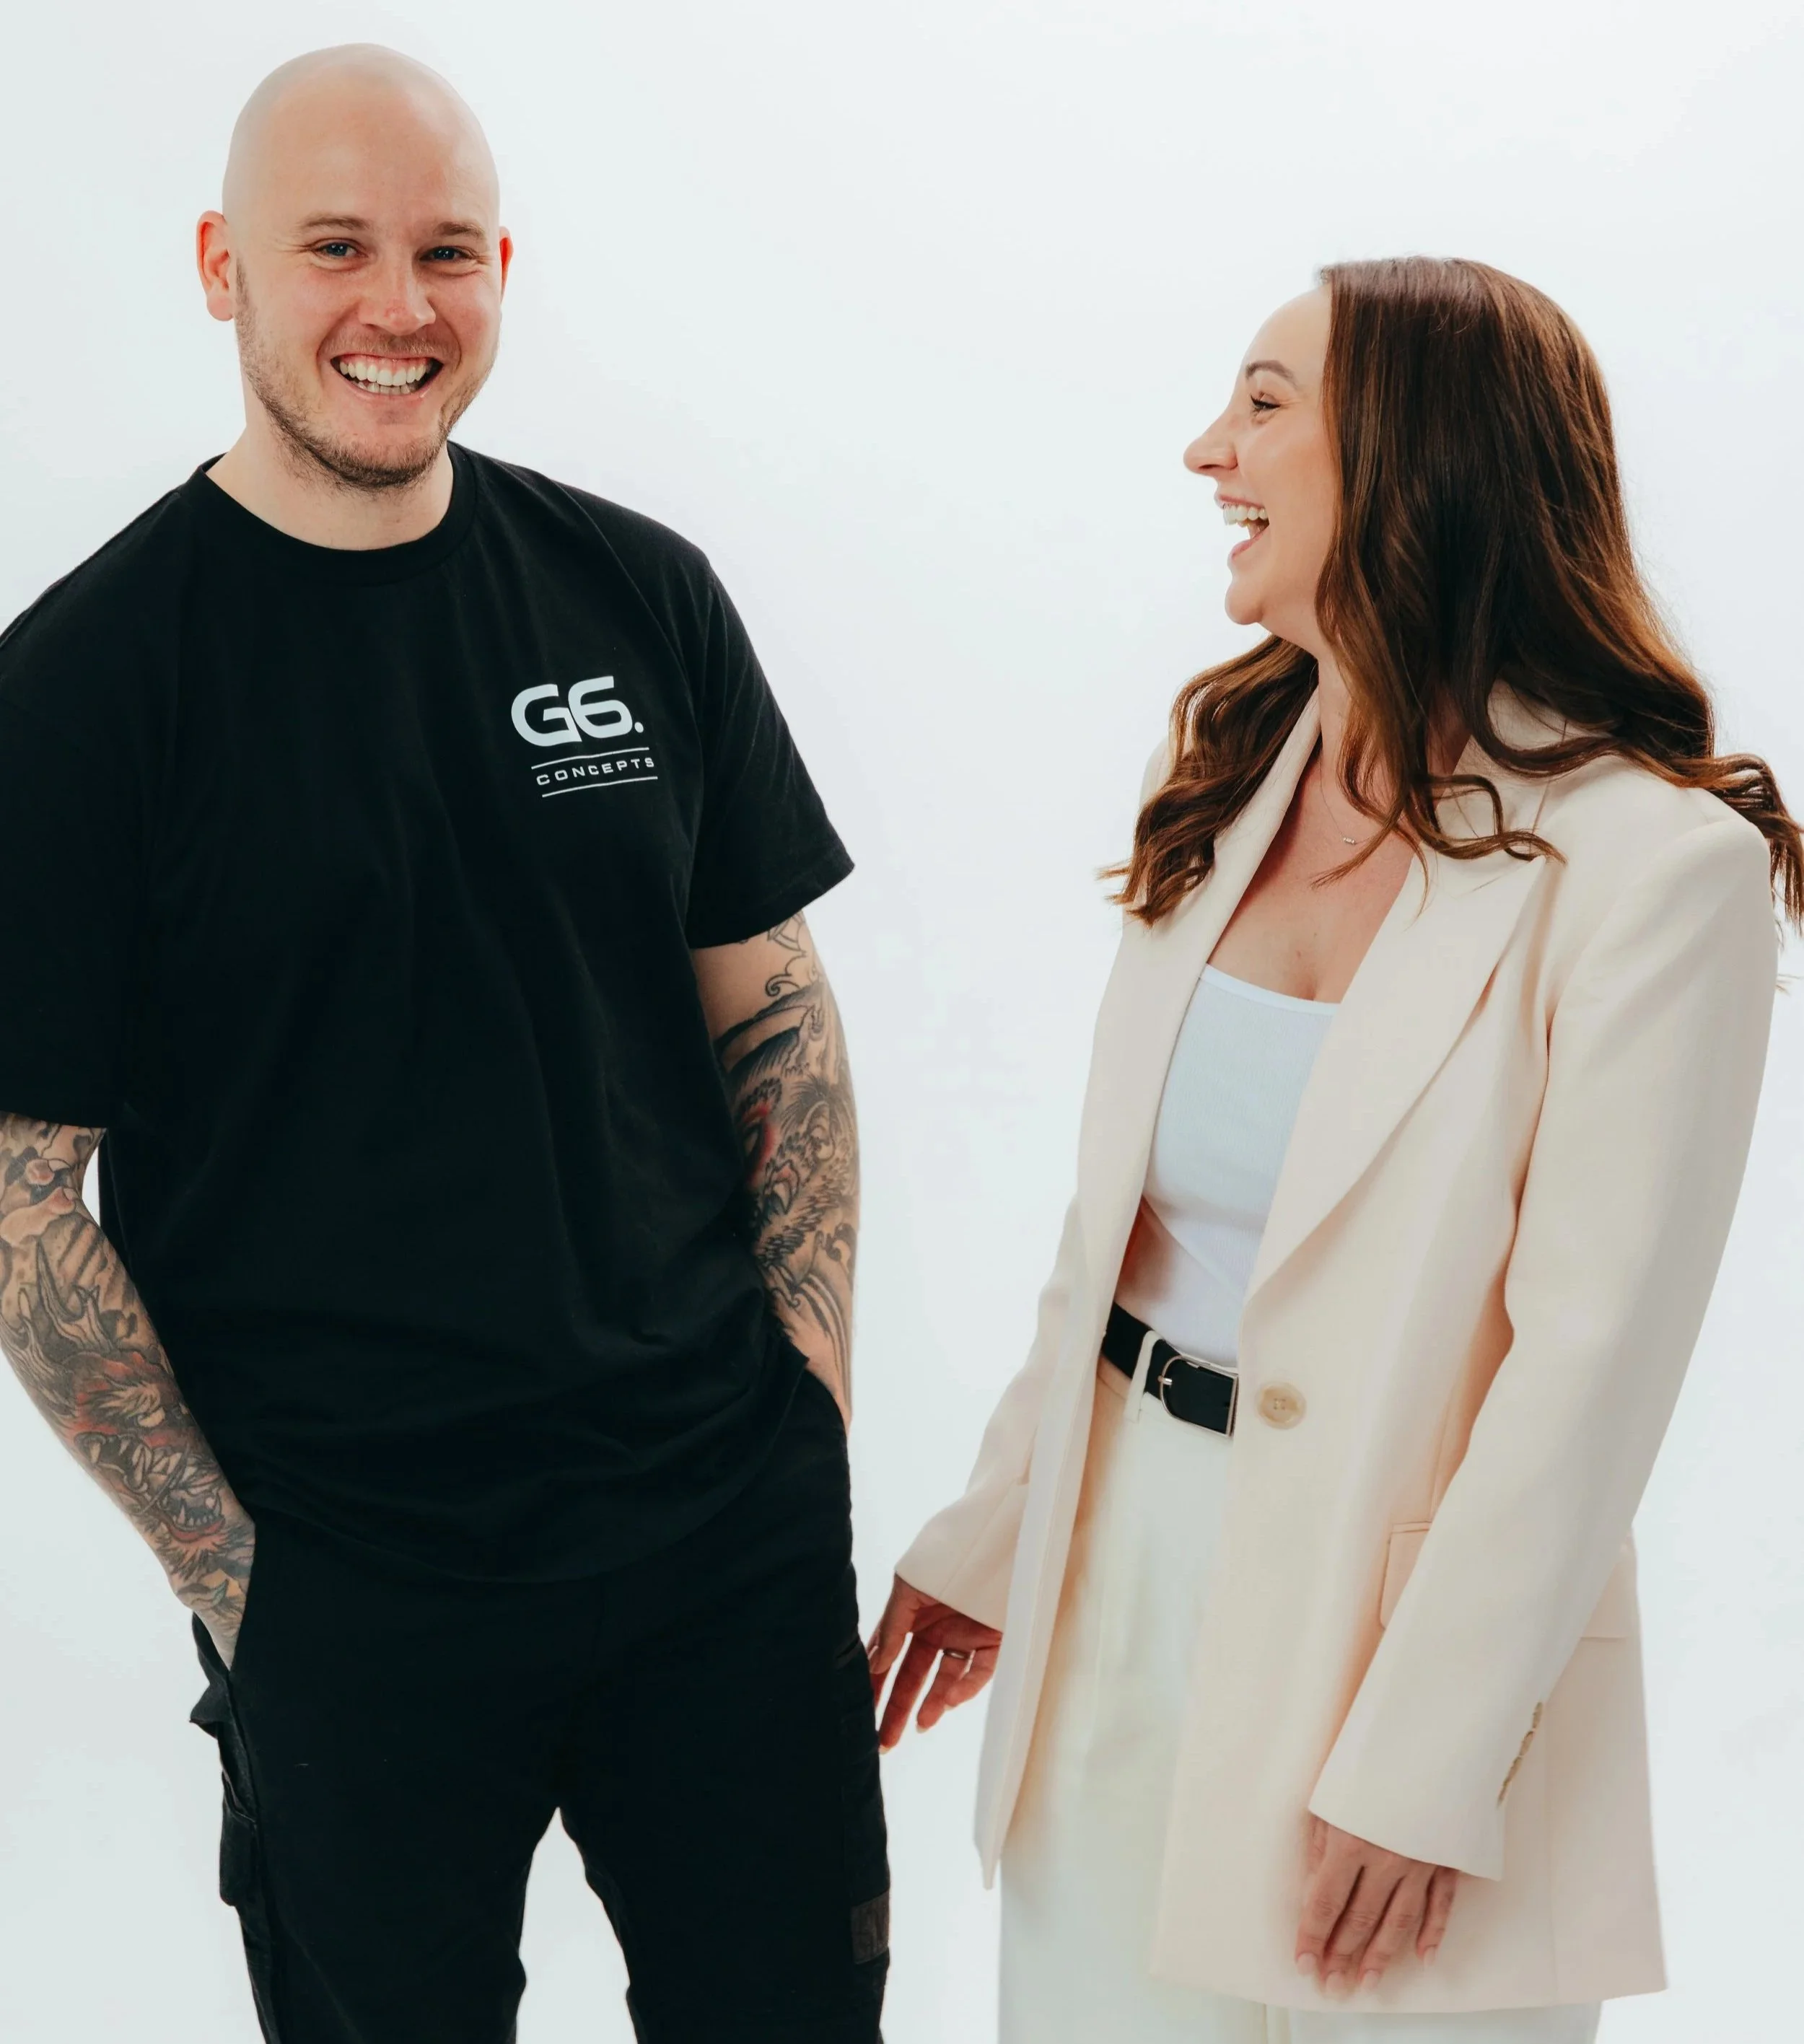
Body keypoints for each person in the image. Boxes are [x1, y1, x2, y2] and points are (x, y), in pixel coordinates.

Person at [0, 44, 886, 2044]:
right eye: (335, 248)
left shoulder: (636, 594)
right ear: (220, 265)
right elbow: (20, 1188)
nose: (398, 306)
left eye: (447, 251)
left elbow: (772, 1010)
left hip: (718, 1554)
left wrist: (805, 1409)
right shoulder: (86, 687)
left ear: (502, 269)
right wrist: (237, 1579)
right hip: (353, 1597)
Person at [867, 257, 1802, 2042]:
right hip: (1114, 1583)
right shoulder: (1223, 771)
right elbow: (1114, 1239)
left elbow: (1588, 1370)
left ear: (1413, 451)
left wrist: (1427, 1759)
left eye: (1263, 403)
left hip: (1394, 1642)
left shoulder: (1647, 870)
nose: (1206, 449)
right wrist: (995, 1531)